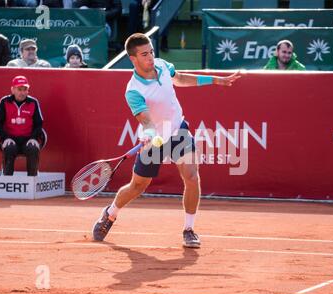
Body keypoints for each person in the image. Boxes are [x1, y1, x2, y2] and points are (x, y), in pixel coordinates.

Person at [92, 33, 241, 247]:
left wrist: (215, 80)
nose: (151, 57)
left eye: (151, 51)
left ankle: (189, 230)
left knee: (191, 176)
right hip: (155, 140)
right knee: (138, 186)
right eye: (144, 54)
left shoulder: (162, 65)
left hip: (178, 131)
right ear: (133, 59)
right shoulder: (133, 90)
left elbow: (179, 78)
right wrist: (151, 136)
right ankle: (111, 213)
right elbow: (146, 120)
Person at [0, 76, 44, 176]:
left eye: (25, 89)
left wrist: (33, 138)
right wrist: (5, 138)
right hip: (10, 139)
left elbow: (39, 124)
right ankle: (8, 181)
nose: (22, 92)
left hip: (28, 139)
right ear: (13, 89)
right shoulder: (4, 101)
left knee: (33, 148)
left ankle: (32, 181)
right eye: (19, 89)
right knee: (9, 148)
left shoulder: (33, 102)